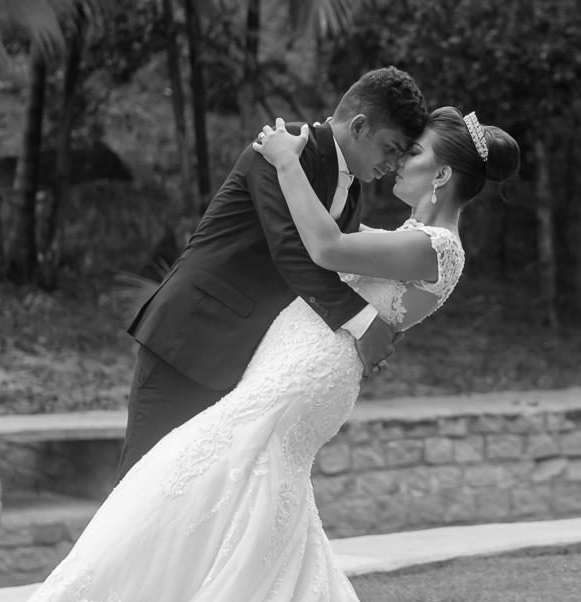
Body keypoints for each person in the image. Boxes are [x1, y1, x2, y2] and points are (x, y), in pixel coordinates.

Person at [0, 106, 522, 602]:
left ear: (441, 174)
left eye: (412, 152)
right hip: (309, 360)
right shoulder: (420, 237)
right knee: (236, 485)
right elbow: (326, 251)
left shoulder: (433, 246)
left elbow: (326, 248)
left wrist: (282, 162)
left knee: (204, 468)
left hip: (311, 370)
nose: (400, 162)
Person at [116, 67, 425, 480]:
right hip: (189, 338)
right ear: (360, 125)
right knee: (137, 489)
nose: (393, 163)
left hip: (245, 361)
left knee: (195, 498)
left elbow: (330, 266)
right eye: (391, 148)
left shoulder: (352, 191)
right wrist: (364, 324)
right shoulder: (283, 149)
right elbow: (290, 252)